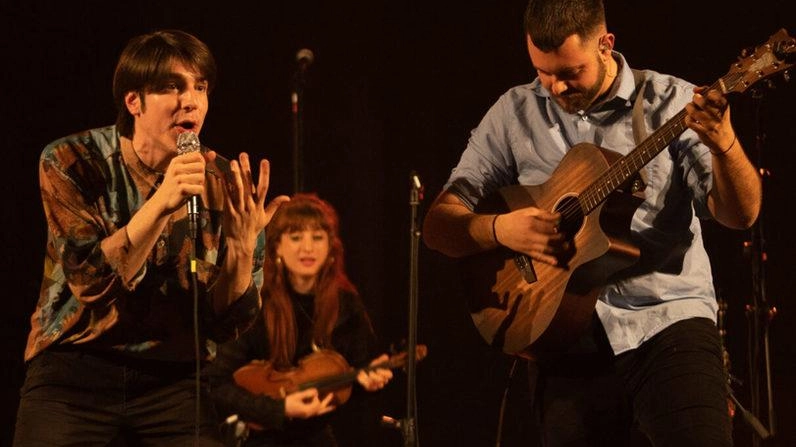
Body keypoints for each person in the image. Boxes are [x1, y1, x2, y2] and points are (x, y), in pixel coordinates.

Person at [422, 1, 762, 446]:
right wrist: (500, 230)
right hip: (563, 335)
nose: (555, 86)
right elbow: (438, 226)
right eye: (542, 72)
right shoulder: (514, 112)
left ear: (606, 44)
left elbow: (740, 215)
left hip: (668, 320)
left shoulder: (673, 101)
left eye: (569, 72)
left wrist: (725, 145)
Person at [13, 29, 289, 446]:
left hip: (174, 377)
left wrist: (240, 249)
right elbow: (91, 282)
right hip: (75, 371)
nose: (190, 100)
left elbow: (226, 325)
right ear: (134, 101)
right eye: (170, 87)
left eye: (200, 87)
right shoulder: (73, 161)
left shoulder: (224, 185)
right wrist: (161, 202)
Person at [205, 193, 393, 447]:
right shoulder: (256, 301)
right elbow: (215, 384)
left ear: (330, 248)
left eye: (317, 237)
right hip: (254, 434)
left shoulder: (346, 304)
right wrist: (280, 408)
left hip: (313, 434)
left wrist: (369, 380)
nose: (307, 248)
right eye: (295, 237)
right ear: (277, 247)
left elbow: (354, 376)